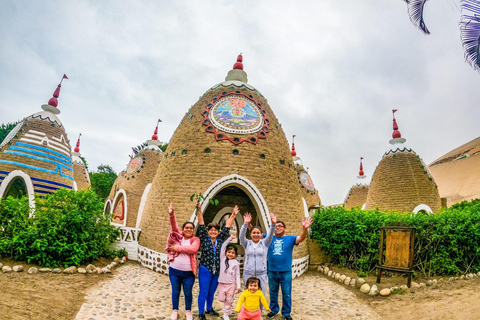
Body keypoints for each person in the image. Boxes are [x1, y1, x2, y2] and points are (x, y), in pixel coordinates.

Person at [197, 202, 239, 320]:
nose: (214, 232)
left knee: (211, 291)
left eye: (216, 230)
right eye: (211, 230)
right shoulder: (205, 238)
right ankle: (201, 312)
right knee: (203, 291)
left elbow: (227, 226)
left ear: (218, 232)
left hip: (217, 271)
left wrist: (233, 215)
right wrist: (199, 210)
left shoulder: (221, 238)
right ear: (208, 231)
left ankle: (209, 308)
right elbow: (201, 223)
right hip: (205, 268)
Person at [266, 216, 313, 320]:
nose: (277, 228)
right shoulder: (269, 238)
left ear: (285, 228)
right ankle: (273, 310)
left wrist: (304, 229)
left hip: (285, 271)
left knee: (286, 293)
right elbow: (257, 234)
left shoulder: (290, 238)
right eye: (276, 226)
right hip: (272, 270)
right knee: (273, 292)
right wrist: (249, 224)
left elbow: (301, 238)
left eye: (280, 226)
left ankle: (286, 313)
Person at [166, 202, 200, 320]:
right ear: (183, 229)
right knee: (175, 292)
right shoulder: (178, 237)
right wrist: (172, 214)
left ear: (193, 230)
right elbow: (173, 226)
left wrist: (176, 248)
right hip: (174, 271)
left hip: (188, 273)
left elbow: (192, 249)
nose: (189, 229)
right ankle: (175, 310)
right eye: (186, 228)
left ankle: (188, 311)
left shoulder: (195, 240)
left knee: (188, 293)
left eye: (191, 228)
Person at [239, 212, 276, 295]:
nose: (256, 235)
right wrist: (245, 224)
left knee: (260, 295)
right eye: (254, 233)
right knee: (248, 295)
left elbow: (270, 235)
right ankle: (248, 309)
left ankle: (259, 309)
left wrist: (273, 224)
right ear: (251, 234)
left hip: (261, 274)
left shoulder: (265, 243)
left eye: (258, 233)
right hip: (248, 273)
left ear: (261, 234)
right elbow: (241, 236)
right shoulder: (247, 243)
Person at [217, 235, 241, 320]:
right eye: (229, 252)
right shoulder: (222, 258)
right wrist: (229, 238)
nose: (230, 254)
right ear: (226, 252)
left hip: (231, 284)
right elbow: (223, 246)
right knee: (221, 298)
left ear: (235, 254)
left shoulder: (236, 263)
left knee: (229, 300)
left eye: (233, 253)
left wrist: (238, 286)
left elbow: (237, 275)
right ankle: (225, 306)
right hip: (222, 283)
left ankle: (226, 314)